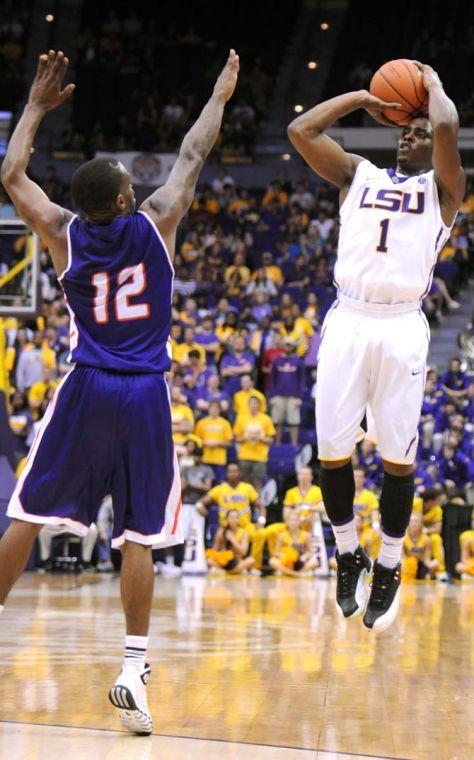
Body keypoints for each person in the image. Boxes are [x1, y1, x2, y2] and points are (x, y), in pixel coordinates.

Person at [0, 48, 239, 734]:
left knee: (28, 514)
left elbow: (12, 172)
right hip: (143, 392)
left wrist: (39, 107)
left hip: (84, 385)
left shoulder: (60, 233)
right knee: (140, 533)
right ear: (128, 200)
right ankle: (133, 668)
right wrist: (219, 96)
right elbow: (194, 151)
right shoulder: (159, 218)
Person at [288, 61, 465, 631]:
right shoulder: (357, 174)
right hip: (349, 319)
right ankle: (348, 553)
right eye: (403, 130)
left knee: (397, 457)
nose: (410, 135)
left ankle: (389, 563)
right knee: (331, 453)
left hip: (401, 326)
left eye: (418, 131)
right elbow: (301, 133)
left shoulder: (443, 192)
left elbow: (446, 127)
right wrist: (363, 96)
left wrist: (432, 87)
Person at [196, 463, 266, 570]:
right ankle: (225, 565)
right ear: (226, 474)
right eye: (230, 471)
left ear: (239, 473)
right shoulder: (220, 489)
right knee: (216, 549)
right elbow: (201, 503)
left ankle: (254, 567)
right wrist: (201, 508)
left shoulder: (247, 488)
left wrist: (261, 520)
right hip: (226, 528)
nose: (233, 474)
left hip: (244, 527)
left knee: (261, 533)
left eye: (235, 471)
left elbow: (261, 506)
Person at [233, 395, 276, 489]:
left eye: (255, 403)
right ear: (248, 405)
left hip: (260, 456)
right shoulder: (241, 418)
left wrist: (261, 438)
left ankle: (257, 501)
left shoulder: (266, 419)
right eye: (251, 403)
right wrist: (245, 437)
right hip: (244, 455)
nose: (253, 405)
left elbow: (271, 440)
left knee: (258, 480)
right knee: (244, 481)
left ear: (259, 405)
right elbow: (236, 438)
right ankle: (245, 502)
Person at [205, 509, 255, 574]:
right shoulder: (221, 532)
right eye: (231, 517)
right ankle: (234, 571)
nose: (234, 519)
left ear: (239, 519)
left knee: (251, 560)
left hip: (237, 561)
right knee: (208, 561)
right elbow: (215, 550)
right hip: (223, 560)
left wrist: (232, 539)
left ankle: (226, 572)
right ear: (227, 519)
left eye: (236, 517)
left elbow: (243, 552)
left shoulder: (244, 533)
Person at [194, 400, 233, 482]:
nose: (214, 410)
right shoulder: (202, 423)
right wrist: (205, 442)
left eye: (216, 408)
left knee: (220, 482)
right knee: (205, 482)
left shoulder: (225, 423)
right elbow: (195, 440)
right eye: (212, 408)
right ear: (208, 409)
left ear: (220, 410)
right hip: (205, 458)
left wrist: (218, 443)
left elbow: (229, 442)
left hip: (219, 459)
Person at [269, 511, 317, 577]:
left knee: (314, 562)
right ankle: (297, 574)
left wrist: (305, 556)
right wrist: (281, 554)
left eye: (296, 520)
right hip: (286, 561)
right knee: (272, 561)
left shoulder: (306, 535)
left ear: (299, 522)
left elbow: (310, 552)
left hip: (299, 561)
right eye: (291, 520)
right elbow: (275, 553)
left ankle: (288, 573)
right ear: (287, 522)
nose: (293, 523)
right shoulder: (282, 536)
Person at [401, 513, 439, 580]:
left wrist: (429, 566)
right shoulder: (403, 538)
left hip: (421, 564)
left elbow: (427, 559)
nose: (414, 524)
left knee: (435, 563)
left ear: (421, 524)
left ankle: (427, 575)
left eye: (416, 521)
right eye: (411, 521)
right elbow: (402, 557)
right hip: (408, 565)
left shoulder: (426, 539)